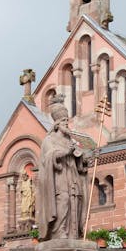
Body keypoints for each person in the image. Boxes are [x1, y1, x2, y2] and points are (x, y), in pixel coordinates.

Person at [35, 99, 92, 240]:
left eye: (67, 120)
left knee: (75, 202)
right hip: (58, 178)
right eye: (63, 121)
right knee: (63, 201)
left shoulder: (70, 140)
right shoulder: (49, 140)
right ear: (57, 124)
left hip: (72, 176)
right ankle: (59, 231)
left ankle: (73, 234)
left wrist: (87, 157)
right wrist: (67, 152)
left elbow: (79, 158)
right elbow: (49, 157)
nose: (66, 123)